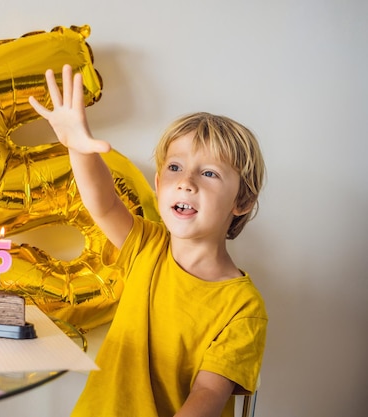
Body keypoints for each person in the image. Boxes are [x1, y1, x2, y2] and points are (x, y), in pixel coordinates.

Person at [29, 65, 267, 417]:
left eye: (209, 173)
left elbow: (207, 394)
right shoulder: (147, 245)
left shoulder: (244, 307)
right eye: (175, 168)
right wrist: (78, 148)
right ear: (157, 186)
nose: (186, 182)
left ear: (242, 202)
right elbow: (104, 203)